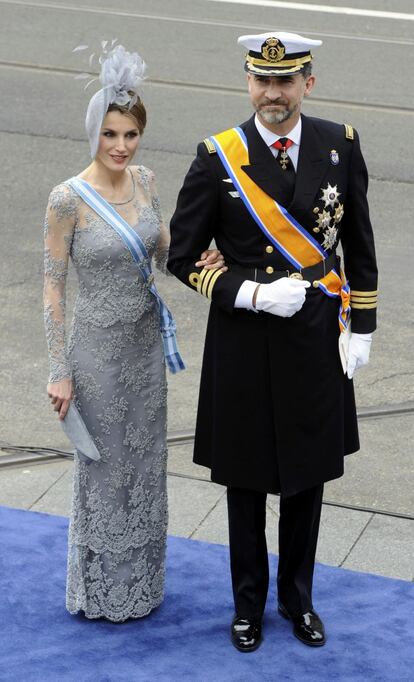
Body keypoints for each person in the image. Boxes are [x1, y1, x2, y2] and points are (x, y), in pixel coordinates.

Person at [168, 31, 377, 650]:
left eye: (285, 82)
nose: (272, 94)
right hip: (244, 339)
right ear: (248, 82)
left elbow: (359, 242)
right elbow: (182, 256)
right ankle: (248, 606)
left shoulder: (339, 146)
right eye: (262, 80)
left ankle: (298, 599)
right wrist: (250, 292)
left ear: (307, 84)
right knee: (245, 480)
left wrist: (362, 326)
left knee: (307, 479)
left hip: (316, 337)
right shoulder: (217, 157)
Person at [43, 42, 225, 622]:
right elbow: (53, 290)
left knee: (144, 463)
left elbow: (169, 249)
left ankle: (141, 584)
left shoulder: (145, 180)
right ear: (93, 133)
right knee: (104, 465)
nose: (121, 147)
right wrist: (58, 370)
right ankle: (100, 589)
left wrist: (211, 260)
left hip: (145, 350)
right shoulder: (67, 199)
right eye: (110, 135)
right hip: (94, 354)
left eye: (130, 134)